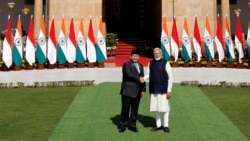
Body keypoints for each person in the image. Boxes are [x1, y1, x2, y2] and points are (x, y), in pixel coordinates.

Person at [144, 47, 173, 133]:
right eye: (155, 53)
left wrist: (169, 90)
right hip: (153, 89)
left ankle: (166, 125)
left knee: (165, 108)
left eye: (158, 53)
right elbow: (147, 75)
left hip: (163, 89)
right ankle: (158, 125)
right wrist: (142, 79)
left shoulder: (166, 63)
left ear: (161, 54)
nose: (156, 55)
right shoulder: (150, 63)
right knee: (156, 108)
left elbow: (170, 77)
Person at [118, 49, 146, 133]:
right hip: (127, 90)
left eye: (137, 56)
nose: (135, 57)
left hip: (138, 91)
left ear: (139, 57)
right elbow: (128, 74)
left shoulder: (141, 65)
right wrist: (138, 78)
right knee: (125, 109)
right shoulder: (126, 64)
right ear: (130, 56)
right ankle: (123, 125)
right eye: (134, 56)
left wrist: (144, 89)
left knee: (135, 110)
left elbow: (143, 77)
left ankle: (132, 125)